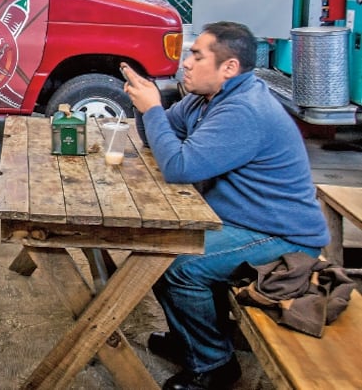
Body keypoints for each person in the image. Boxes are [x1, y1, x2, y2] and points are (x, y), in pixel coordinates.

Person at [122, 21, 329, 390]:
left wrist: (152, 110)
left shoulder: (244, 110)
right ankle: (190, 340)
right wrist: (145, 105)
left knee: (179, 266)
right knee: (158, 249)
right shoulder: (205, 99)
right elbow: (159, 139)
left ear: (229, 67)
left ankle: (214, 365)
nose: (186, 63)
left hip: (282, 236)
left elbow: (180, 167)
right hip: (242, 222)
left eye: (197, 56)